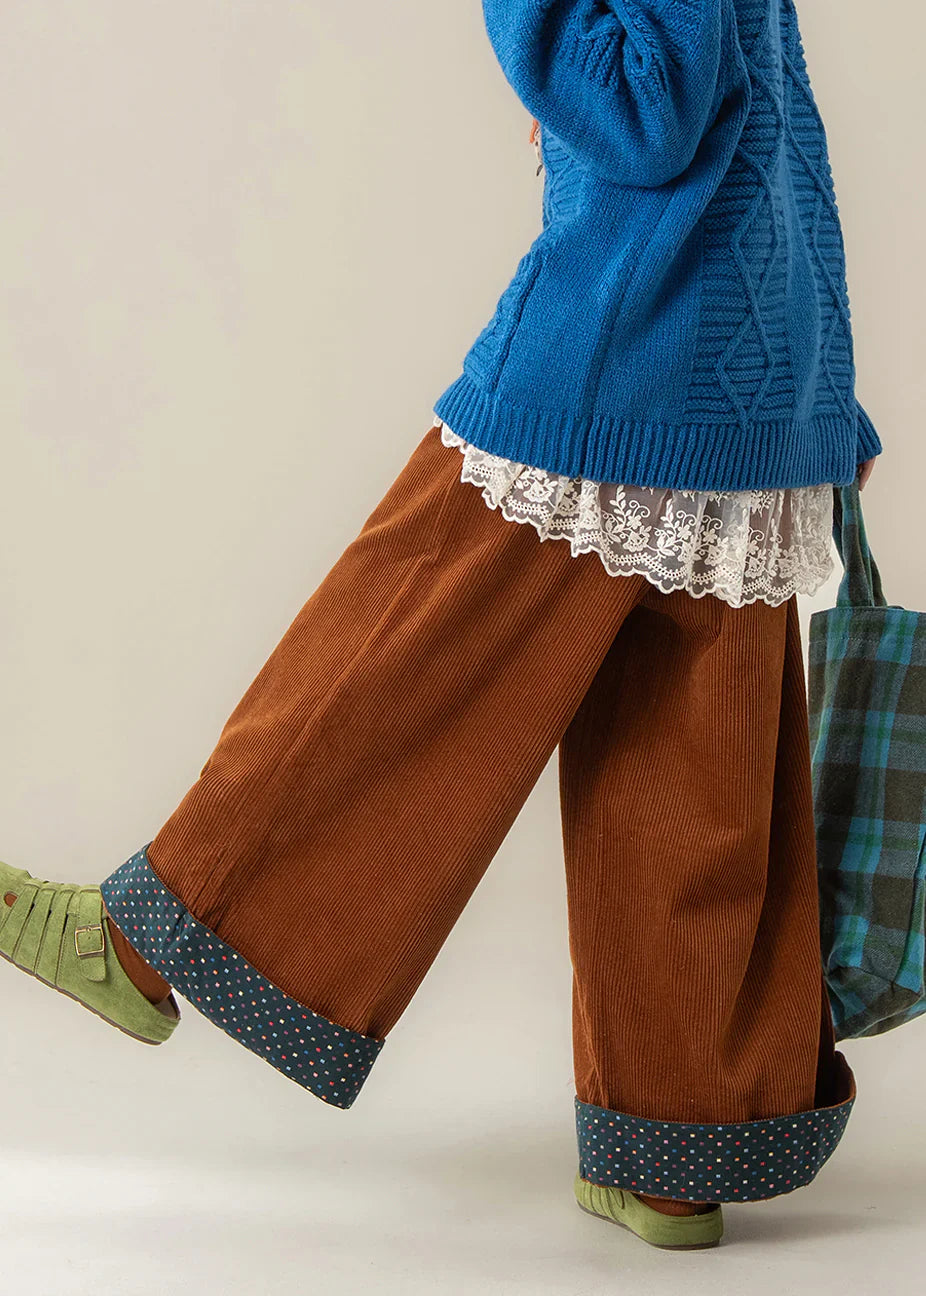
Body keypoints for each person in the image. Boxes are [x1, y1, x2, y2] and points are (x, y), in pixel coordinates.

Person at [0, 1, 880, 1252]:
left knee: (389, 657)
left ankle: (147, 945)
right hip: (750, 381)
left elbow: (646, 111)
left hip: (620, 356)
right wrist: (823, 400)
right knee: (688, 778)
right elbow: (769, 127)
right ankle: (672, 1156)